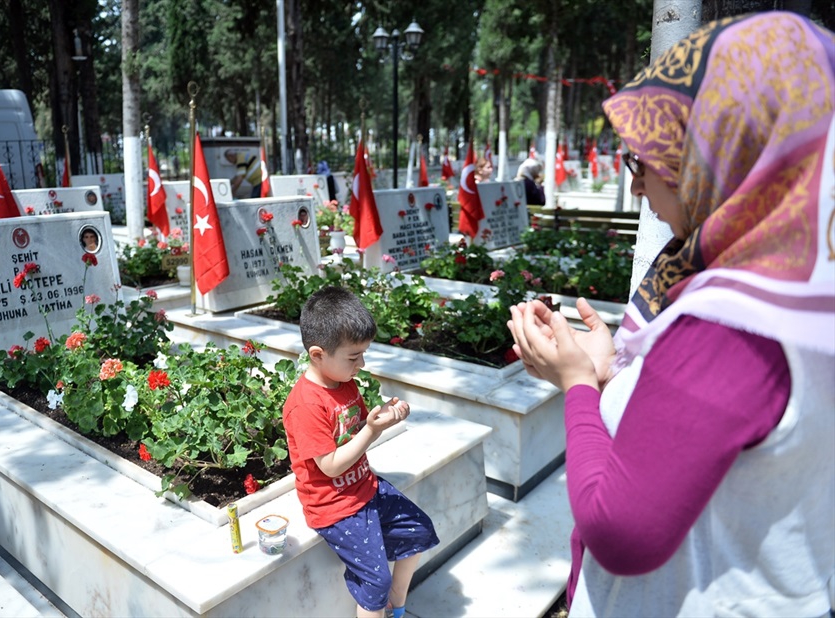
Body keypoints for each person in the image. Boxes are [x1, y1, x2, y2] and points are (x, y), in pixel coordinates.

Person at [508, 12, 834, 617]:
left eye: (647, 160)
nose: (638, 187)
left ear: (721, 150)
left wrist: (576, 384)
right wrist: (615, 374)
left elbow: (621, 532)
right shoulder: (806, 279)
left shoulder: (735, 320)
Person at [282, 286, 440, 618]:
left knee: (420, 530)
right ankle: (383, 602)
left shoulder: (344, 381)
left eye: (363, 354)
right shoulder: (306, 404)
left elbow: (356, 431)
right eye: (354, 357)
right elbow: (330, 467)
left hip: (365, 487)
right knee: (375, 580)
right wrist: (372, 430)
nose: (362, 363)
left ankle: (398, 597)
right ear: (317, 354)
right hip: (335, 506)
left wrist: (384, 417)